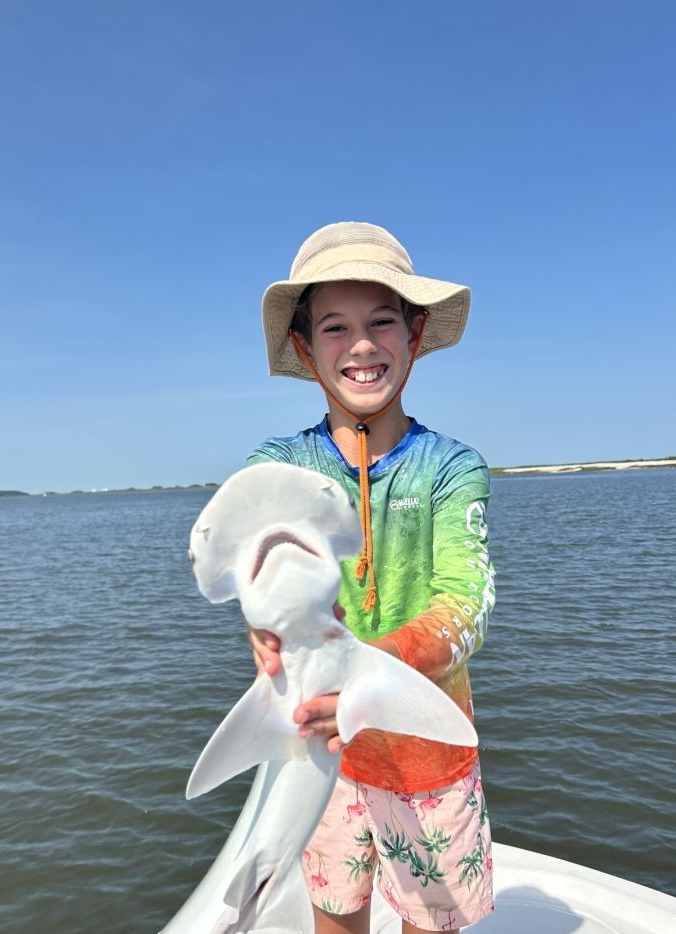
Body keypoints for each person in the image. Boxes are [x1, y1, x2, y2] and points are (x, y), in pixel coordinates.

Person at [245, 222, 496, 934]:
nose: (360, 345)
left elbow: (466, 604)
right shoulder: (278, 462)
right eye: (334, 327)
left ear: (414, 335)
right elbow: (261, 561)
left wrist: (367, 669)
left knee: (429, 924)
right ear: (304, 346)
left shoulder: (453, 468)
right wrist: (263, 624)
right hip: (322, 754)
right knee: (334, 916)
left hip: (429, 754)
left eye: (382, 322)